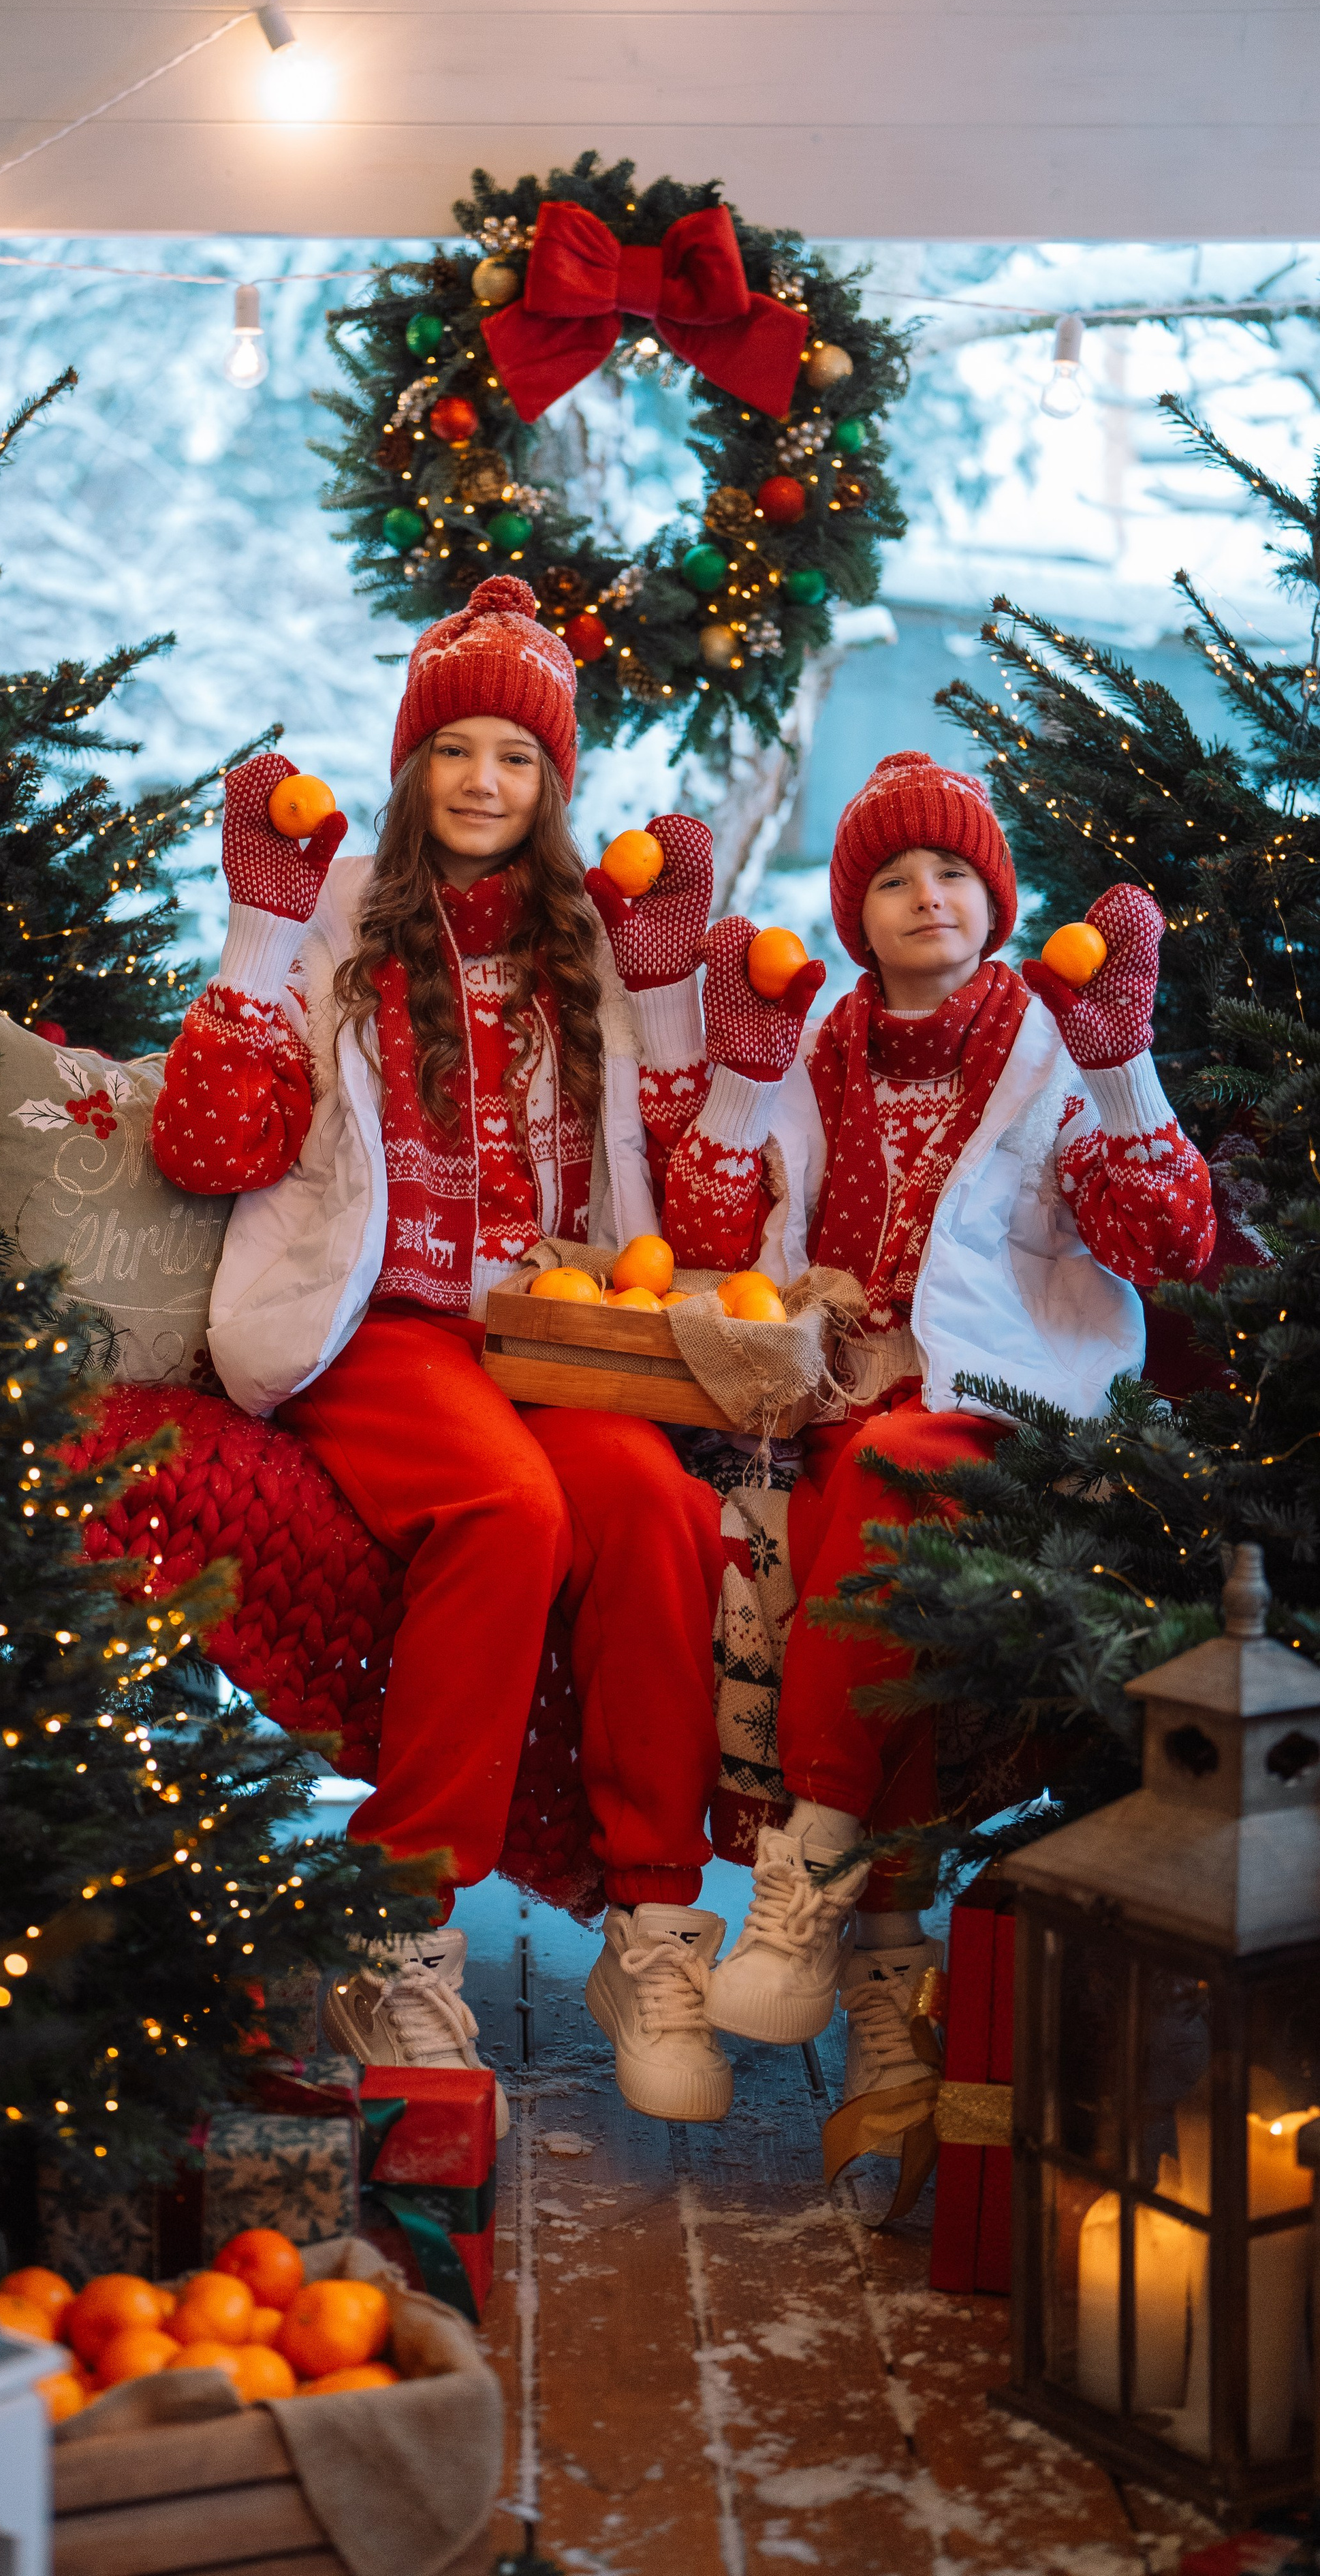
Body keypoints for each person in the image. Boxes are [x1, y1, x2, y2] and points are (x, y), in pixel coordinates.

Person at [151, 576, 780, 2129]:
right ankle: (399, 1928)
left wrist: (670, 1002)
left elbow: (699, 1209)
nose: (484, 780)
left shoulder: (595, 941)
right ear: (409, 766)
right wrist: (258, 926)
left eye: (518, 754)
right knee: (508, 1509)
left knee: (653, 1509)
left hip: (555, 1334)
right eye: (454, 749)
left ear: (554, 782)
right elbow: (207, 1146)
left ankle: (651, 1925)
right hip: (378, 1325)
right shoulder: (333, 923)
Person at [683, 749, 1216, 2132]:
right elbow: (704, 1234)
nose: (928, 896)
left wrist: (1121, 1066)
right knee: (855, 1525)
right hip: (830, 1394)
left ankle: (807, 1869)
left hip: (1002, 1401)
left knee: (887, 1478)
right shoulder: (816, 1048)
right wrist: (740, 1079)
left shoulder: (1056, 1051)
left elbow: (1168, 1241)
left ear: (996, 899)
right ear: (854, 916)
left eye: (954, 873)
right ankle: (885, 1954)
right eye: (894, 879)